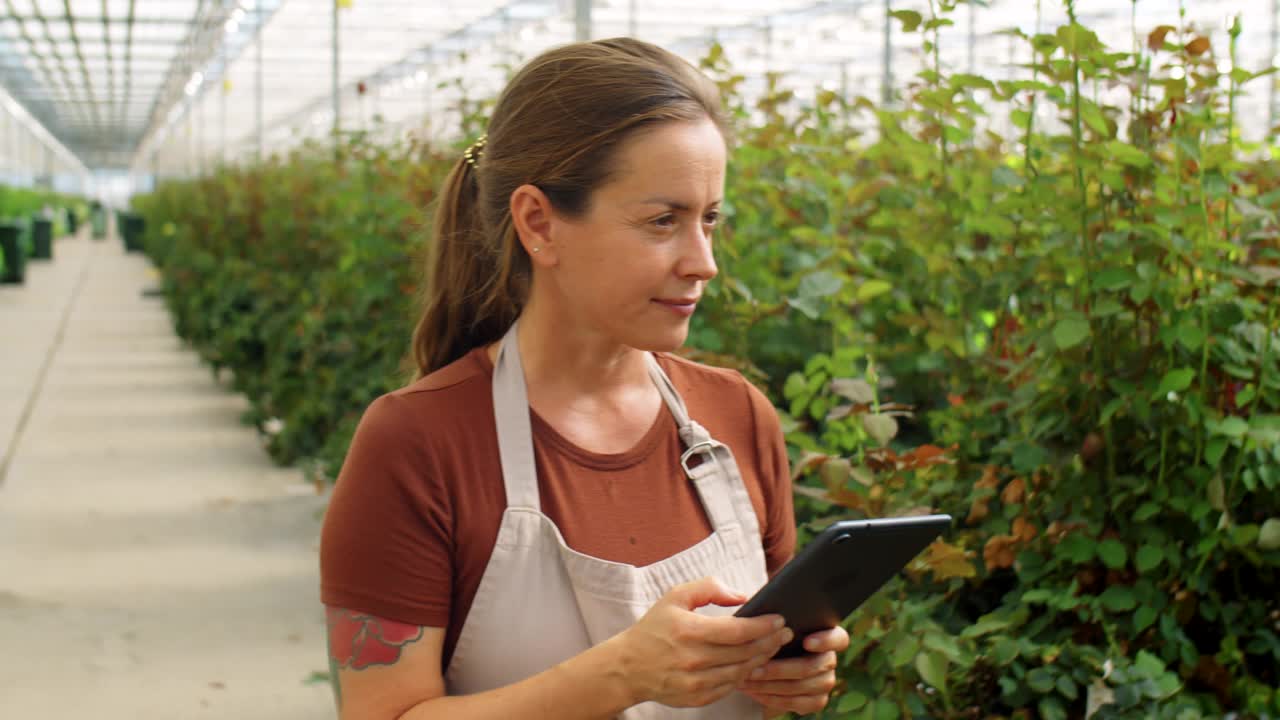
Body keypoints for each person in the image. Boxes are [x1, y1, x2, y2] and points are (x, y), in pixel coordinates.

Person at [319, 37, 849, 720]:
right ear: (539, 224)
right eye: (663, 221)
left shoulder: (738, 417)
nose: (703, 261)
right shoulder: (419, 443)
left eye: (709, 219)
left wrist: (790, 673)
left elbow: (764, 662)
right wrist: (623, 673)